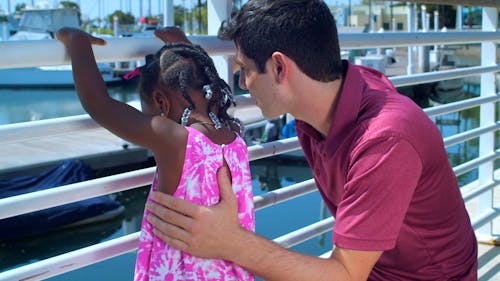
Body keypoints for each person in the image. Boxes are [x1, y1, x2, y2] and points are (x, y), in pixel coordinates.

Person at [146, 1, 478, 280]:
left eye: (245, 69)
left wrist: (230, 242)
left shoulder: (386, 138)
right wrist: (184, 60)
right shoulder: (334, 97)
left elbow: (346, 274)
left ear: (279, 68)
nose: (244, 85)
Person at [55, 27, 254, 281]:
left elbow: (99, 104)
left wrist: (77, 42)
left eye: (146, 110)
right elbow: (204, 79)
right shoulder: (235, 135)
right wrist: (181, 45)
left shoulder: (174, 139)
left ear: (162, 103)